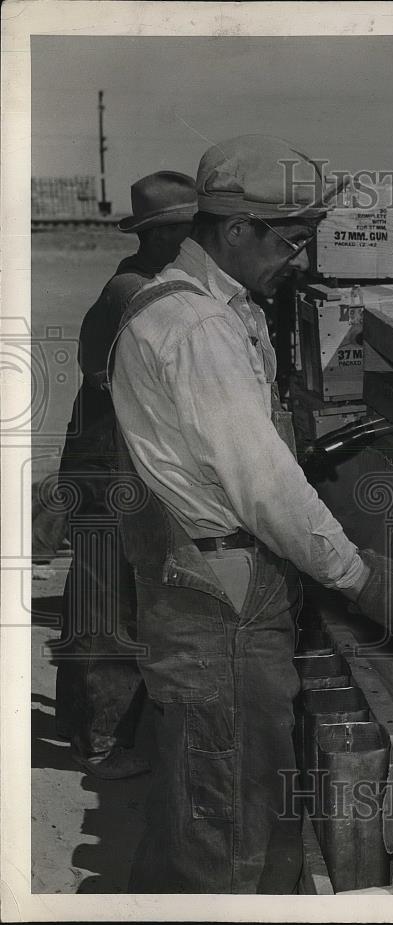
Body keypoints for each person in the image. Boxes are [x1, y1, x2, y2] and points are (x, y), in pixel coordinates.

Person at [109, 134, 393, 893]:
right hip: (219, 607)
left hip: (210, 583)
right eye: (291, 239)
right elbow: (262, 484)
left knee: (208, 807)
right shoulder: (198, 328)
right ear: (235, 230)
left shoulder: (217, 308)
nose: (299, 257)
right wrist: (362, 579)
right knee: (227, 826)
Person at [53, 171, 197, 779]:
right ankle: (99, 744)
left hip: (111, 458)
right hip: (106, 465)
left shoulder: (143, 282)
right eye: (192, 233)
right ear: (166, 235)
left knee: (108, 599)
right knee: (103, 605)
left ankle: (99, 729)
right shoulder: (134, 293)